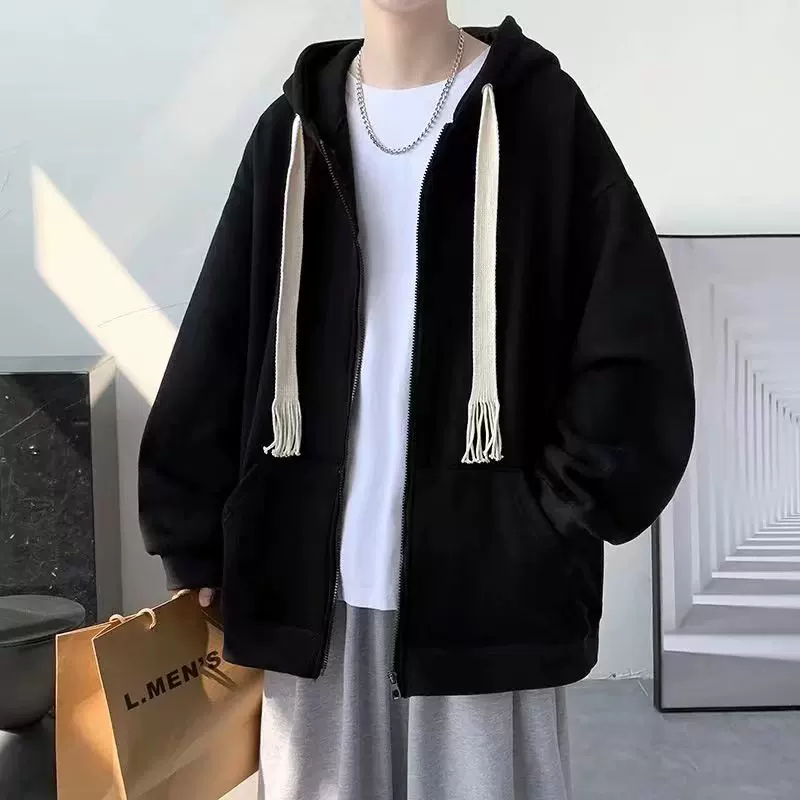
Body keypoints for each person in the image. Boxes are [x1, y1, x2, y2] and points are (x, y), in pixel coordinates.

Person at [139, 2, 695, 798]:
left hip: (488, 587)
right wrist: (192, 531)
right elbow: (222, 336)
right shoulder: (292, 130)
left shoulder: (541, 113)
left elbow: (631, 334)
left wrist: (549, 514)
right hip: (312, 585)